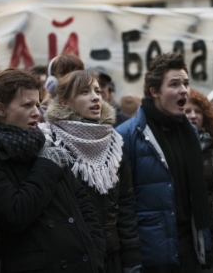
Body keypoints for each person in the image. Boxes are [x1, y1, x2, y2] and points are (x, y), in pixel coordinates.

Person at [0, 69, 106, 273]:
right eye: (27, 105)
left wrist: (95, 249)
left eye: (38, 105)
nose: (37, 112)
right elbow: (15, 214)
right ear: (1, 109)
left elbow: (83, 205)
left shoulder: (47, 147)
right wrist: (46, 166)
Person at [116, 52, 213, 273]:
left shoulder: (189, 132)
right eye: (174, 84)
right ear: (154, 92)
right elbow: (123, 206)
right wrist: (131, 259)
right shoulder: (128, 136)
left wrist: (205, 244)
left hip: (190, 248)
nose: (184, 90)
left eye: (186, 83)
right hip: (152, 254)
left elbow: (198, 195)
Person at [42, 70, 142, 273]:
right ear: (64, 102)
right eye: (85, 92)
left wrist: (131, 257)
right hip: (72, 260)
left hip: (111, 257)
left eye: (97, 90)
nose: (96, 96)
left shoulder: (114, 142)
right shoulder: (49, 142)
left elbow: (125, 204)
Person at [184, 89, 213, 273]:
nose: (193, 116)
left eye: (198, 111)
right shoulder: (173, 147)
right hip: (186, 232)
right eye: (187, 111)